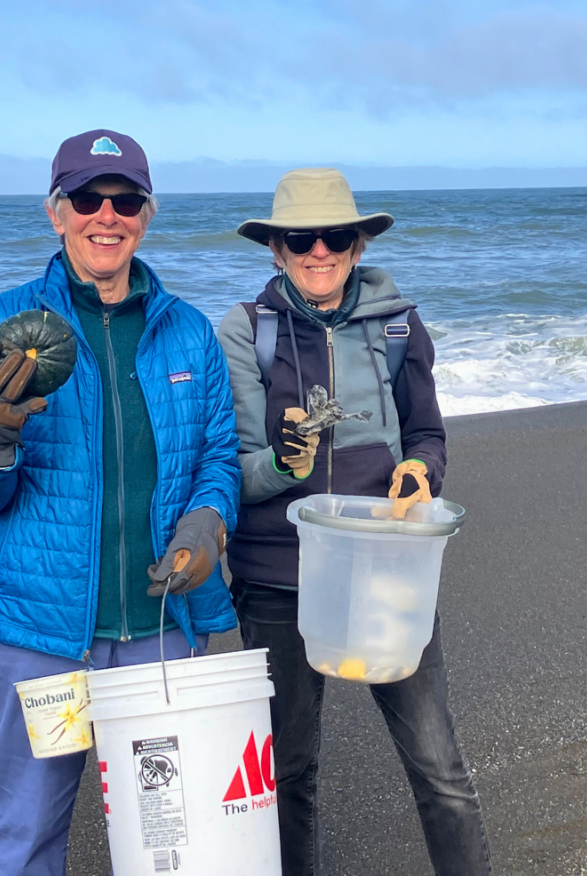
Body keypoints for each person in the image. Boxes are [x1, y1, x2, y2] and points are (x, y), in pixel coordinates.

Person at [0, 130, 240, 876]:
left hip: (158, 633)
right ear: (56, 212)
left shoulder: (191, 333)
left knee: (167, 842)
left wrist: (209, 520)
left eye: (125, 200)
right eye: (87, 198)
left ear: (147, 214)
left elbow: (217, 460)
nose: (105, 216)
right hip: (38, 638)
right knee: (27, 838)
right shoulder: (3, 325)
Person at [216, 169, 491, 876]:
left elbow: (428, 436)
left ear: (358, 244)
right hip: (278, 581)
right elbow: (232, 474)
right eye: (299, 239)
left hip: (388, 573)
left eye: (334, 236)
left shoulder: (400, 325)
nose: (318, 252)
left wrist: (422, 473)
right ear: (275, 250)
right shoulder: (245, 333)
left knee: (439, 769)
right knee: (288, 773)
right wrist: (283, 463)